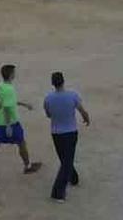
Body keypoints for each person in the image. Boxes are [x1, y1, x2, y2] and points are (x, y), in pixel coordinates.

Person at [0, 64, 42, 185]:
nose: (15, 74)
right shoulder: (9, 89)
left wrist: (24, 104)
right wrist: (8, 126)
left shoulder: (1, 86)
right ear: (10, 75)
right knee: (22, 143)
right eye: (14, 72)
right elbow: (8, 108)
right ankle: (27, 166)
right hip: (10, 124)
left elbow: (5, 102)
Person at [43, 71, 91, 203]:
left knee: (65, 159)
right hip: (70, 132)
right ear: (63, 81)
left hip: (56, 133)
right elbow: (82, 111)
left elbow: (48, 114)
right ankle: (57, 193)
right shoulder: (72, 95)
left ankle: (73, 178)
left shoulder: (48, 98)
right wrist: (87, 119)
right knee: (67, 161)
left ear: (53, 84)